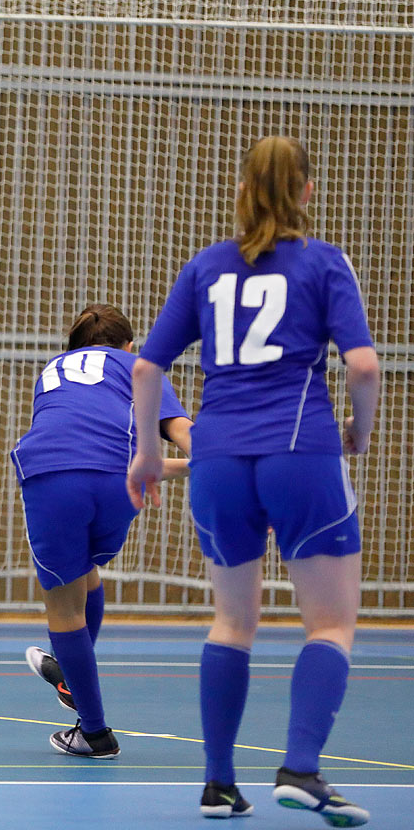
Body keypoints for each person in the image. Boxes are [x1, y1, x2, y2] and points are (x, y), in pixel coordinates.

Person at [128, 136, 379, 826]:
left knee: (233, 619)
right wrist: (361, 429)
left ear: (241, 191)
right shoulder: (324, 263)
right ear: (307, 192)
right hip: (300, 452)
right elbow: (362, 366)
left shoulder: (206, 267)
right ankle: (300, 767)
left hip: (216, 459)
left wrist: (148, 456)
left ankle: (217, 783)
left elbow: (147, 370)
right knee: (330, 623)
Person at [11, 304, 194, 759]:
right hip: (120, 484)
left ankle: (94, 734)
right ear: (129, 345)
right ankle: (71, 677)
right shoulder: (138, 366)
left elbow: (74, 442)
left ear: (71, 347)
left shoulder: (52, 371)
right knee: (86, 573)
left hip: (53, 477)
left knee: (63, 606)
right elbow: (178, 430)